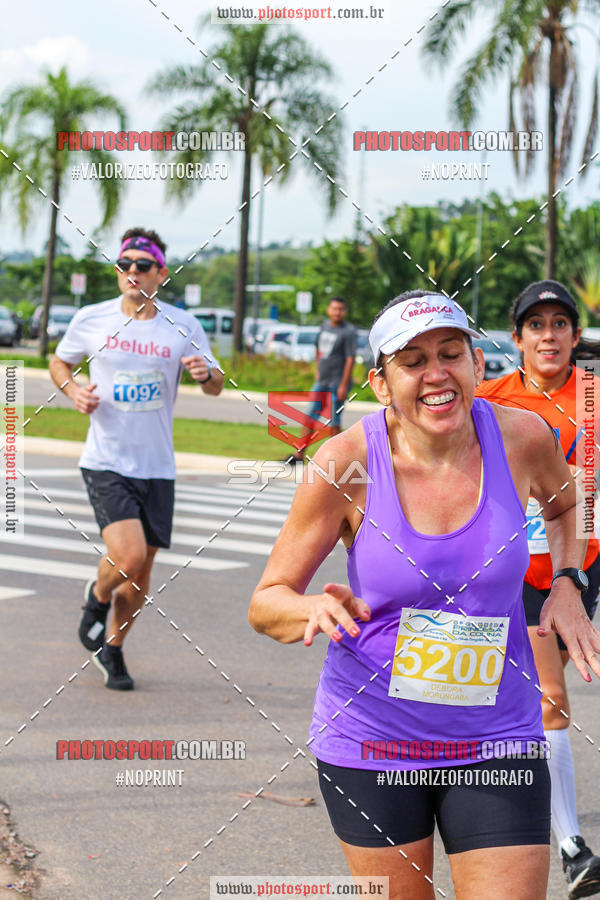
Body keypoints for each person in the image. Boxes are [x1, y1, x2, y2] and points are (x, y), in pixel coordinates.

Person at [250, 290, 600, 900]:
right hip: (373, 741)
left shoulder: (522, 437)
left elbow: (570, 505)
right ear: (381, 384)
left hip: (498, 738)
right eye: (411, 361)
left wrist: (568, 582)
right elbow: (267, 601)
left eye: (450, 353)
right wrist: (310, 607)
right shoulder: (346, 462)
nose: (436, 374)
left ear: (477, 364)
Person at [49, 227, 224, 691]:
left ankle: (114, 648)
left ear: (161, 274)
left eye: (141, 265)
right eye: (123, 264)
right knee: (126, 556)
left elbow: (216, 383)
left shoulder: (182, 325)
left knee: (142, 571)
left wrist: (205, 373)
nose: (130, 271)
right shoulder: (92, 318)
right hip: (106, 458)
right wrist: (73, 392)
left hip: (157, 466)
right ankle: (96, 594)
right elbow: (59, 362)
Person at [477, 280, 600, 897]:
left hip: (585, 561)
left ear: (575, 337)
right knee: (549, 694)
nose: (548, 335)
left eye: (559, 324)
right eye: (536, 325)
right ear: (519, 337)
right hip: (520, 568)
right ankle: (574, 848)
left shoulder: (598, 397)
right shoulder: (490, 400)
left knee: (531, 697)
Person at [290, 296, 356, 463]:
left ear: (344, 312)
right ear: (328, 310)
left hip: (337, 383)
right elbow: (318, 349)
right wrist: (318, 370)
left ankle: (338, 460)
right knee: (310, 416)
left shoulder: (348, 332)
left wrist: (343, 385)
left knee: (334, 421)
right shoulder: (324, 327)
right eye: (334, 309)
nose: (337, 312)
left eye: (340, 309)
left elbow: (350, 359)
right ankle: (299, 455)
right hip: (322, 381)